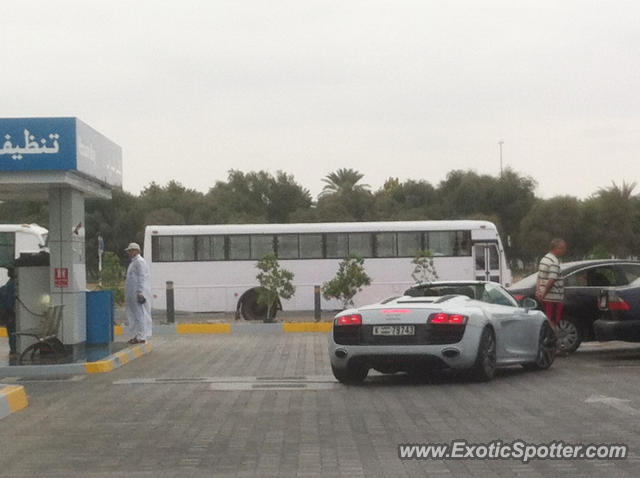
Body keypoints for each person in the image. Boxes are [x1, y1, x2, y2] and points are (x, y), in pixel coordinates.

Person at [535, 238, 568, 346]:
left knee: (549, 320)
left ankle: (551, 343)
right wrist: (544, 293)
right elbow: (552, 279)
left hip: (545, 296)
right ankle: (555, 345)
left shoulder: (544, 259)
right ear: (557, 248)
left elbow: (539, 277)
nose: (564, 250)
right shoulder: (554, 262)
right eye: (563, 248)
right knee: (552, 321)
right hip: (553, 298)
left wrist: (538, 291)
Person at [124, 243, 152, 344]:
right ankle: (137, 335)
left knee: (139, 314)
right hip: (132, 293)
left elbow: (142, 277)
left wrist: (140, 291)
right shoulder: (134, 262)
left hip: (137, 293)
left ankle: (141, 336)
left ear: (136, 251)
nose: (129, 253)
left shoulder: (139, 262)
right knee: (134, 315)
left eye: (130, 251)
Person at [0, 267, 17, 356]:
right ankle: (14, 348)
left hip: (8, 313)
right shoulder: (13, 285)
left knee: (11, 331)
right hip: (11, 313)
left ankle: (13, 348)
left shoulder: (7, 286)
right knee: (12, 331)